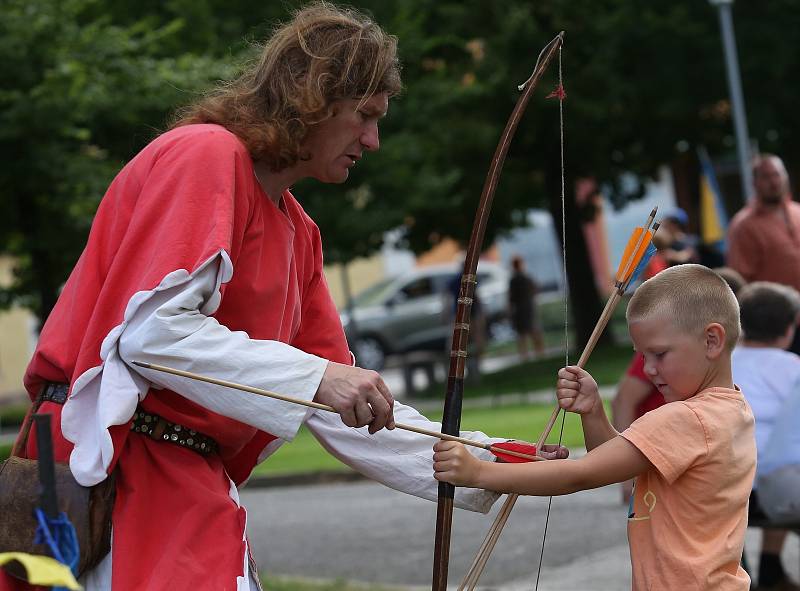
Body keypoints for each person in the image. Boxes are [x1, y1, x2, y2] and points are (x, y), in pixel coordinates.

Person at [3, 5, 517, 590]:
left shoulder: (301, 233)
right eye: (366, 116)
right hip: (115, 470)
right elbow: (149, 335)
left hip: (182, 483)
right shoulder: (206, 154)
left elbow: (350, 411)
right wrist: (317, 378)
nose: (373, 141)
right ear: (316, 98)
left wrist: (494, 464)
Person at [433, 264, 756, 590]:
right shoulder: (732, 411)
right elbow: (613, 464)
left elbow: (581, 473)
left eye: (659, 354)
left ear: (712, 340)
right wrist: (593, 413)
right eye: (642, 356)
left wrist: (477, 473)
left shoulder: (685, 419)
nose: (649, 370)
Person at [732, 282, 800, 591]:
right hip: (776, 493)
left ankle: (753, 571)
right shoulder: (792, 368)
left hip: (728, 489)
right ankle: (771, 568)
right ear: (789, 329)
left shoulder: (721, 363)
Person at [727, 154, 800, 353]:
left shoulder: (797, 212)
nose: (773, 182)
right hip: (775, 327)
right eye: (766, 177)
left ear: (785, 176)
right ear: (755, 182)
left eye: (777, 175)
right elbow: (740, 284)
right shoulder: (744, 226)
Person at [507, 255, 545, 360]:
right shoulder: (526, 277)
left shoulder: (514, 279)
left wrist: (510, 310)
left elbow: (510, 297)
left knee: (522, 333)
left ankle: (525, 355)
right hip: (528, 307)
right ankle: (539, 352)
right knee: (534, 330)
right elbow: (535, 289)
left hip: (519, 309)